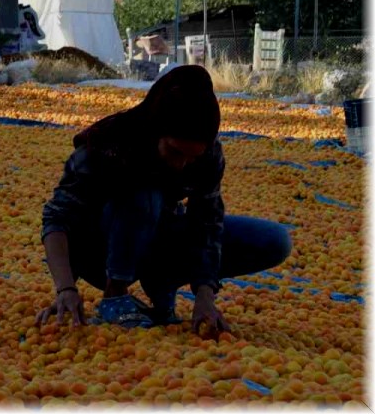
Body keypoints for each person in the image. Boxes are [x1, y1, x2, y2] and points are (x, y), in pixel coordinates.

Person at [36, 65, 291, 332]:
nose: (182, 165)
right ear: (156, 130)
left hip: (158, 235)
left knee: (273, 241)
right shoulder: (108, 144)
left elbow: (207, 222)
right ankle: (115, 296)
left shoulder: (208, 156)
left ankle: (162, 286)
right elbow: (57, 217)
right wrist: (66, 287)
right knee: (144, 191)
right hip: (99, 249)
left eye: (192, 157)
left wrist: (205, 296)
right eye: (175, 151)